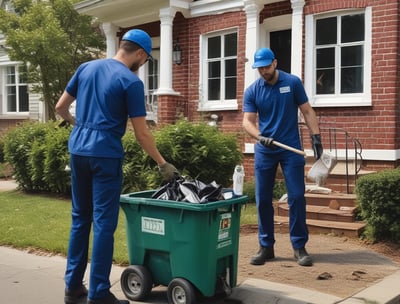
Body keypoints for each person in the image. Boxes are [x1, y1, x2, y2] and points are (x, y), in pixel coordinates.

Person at [55, 29, 178, 304]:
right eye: (144, 61)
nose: (142, 66)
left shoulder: (85, 68)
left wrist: (81, 127)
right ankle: (98, 293)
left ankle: (72, 286)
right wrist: (162, 163)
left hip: (78, 149)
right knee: (103, 223)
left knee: (79, 219)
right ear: (140, 54)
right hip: (105, 154)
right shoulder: (130, 82)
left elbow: (61, 107)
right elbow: (142, 133)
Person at [242, 47, 323, 267]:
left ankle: (299, 246)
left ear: (275, 62)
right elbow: (247, 121)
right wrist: (260, 137)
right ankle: (266, 247)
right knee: (263, 199)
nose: (263, 71)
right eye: (259, 68)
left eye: (266, 66)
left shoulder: (292, 83)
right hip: (265, 150)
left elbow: (306, 110)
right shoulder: (252, 91)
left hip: (290, 148)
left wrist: (316, 137)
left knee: (297, 197)